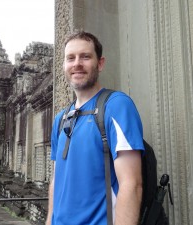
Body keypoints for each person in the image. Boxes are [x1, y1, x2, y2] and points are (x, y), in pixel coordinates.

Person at [46, 31, 144, 225]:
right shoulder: (60, 119)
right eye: (70, 58)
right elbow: (56, 181)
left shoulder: (116, 106)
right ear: (64, 66)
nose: (77, 64)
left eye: (85, 56)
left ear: (100, 63)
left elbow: (131, 184)